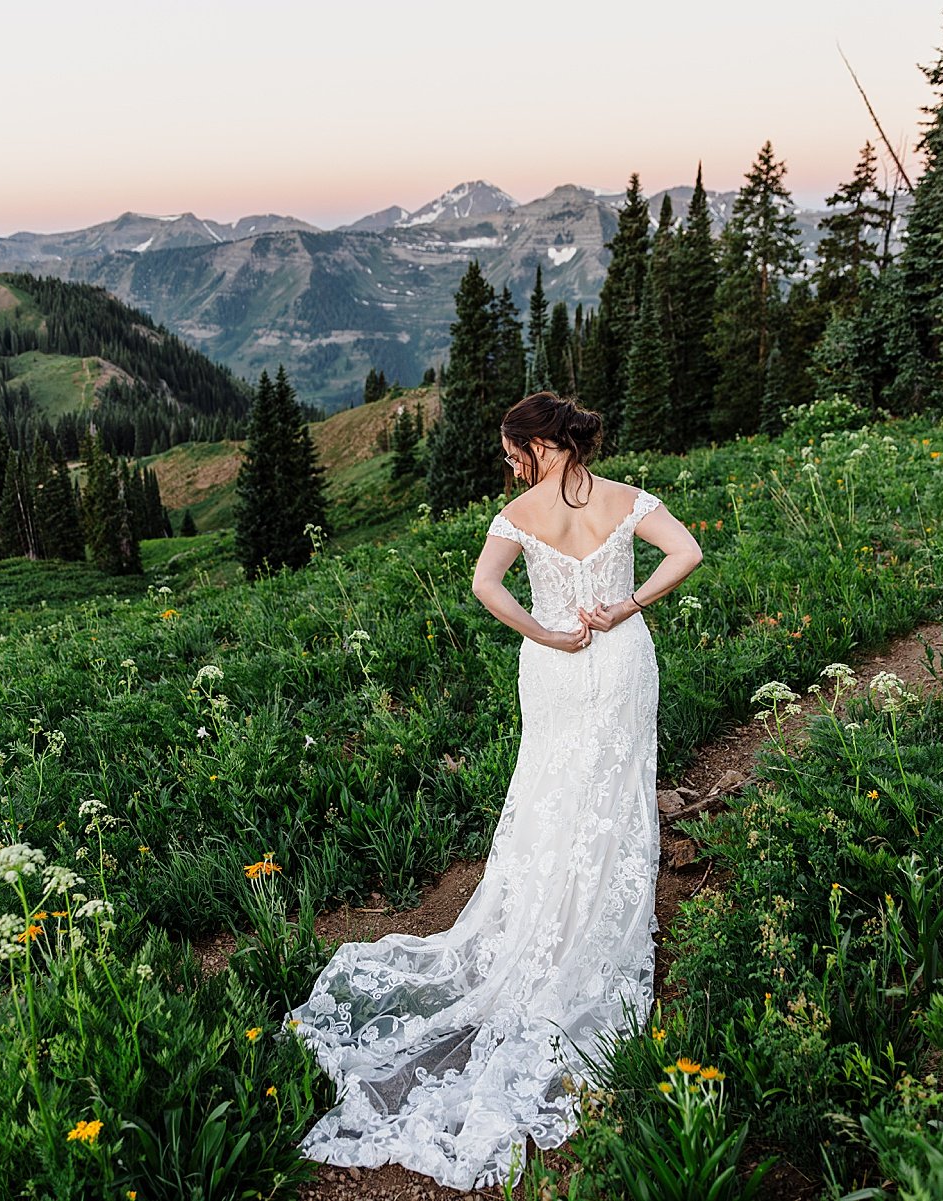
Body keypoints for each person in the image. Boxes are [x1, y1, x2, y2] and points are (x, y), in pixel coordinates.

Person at [285, 391, 704, 1190]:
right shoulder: (626, 499)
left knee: (551, 785)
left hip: (555, 664)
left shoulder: (518, 512)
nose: (510, 461)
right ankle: (596, 921)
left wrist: (546, 631)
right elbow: (685, 553)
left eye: (514, 448)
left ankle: (544, 922)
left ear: (536, 445)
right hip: (619, 657)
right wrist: (626, 603)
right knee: (611, 789)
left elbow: (486, 587)